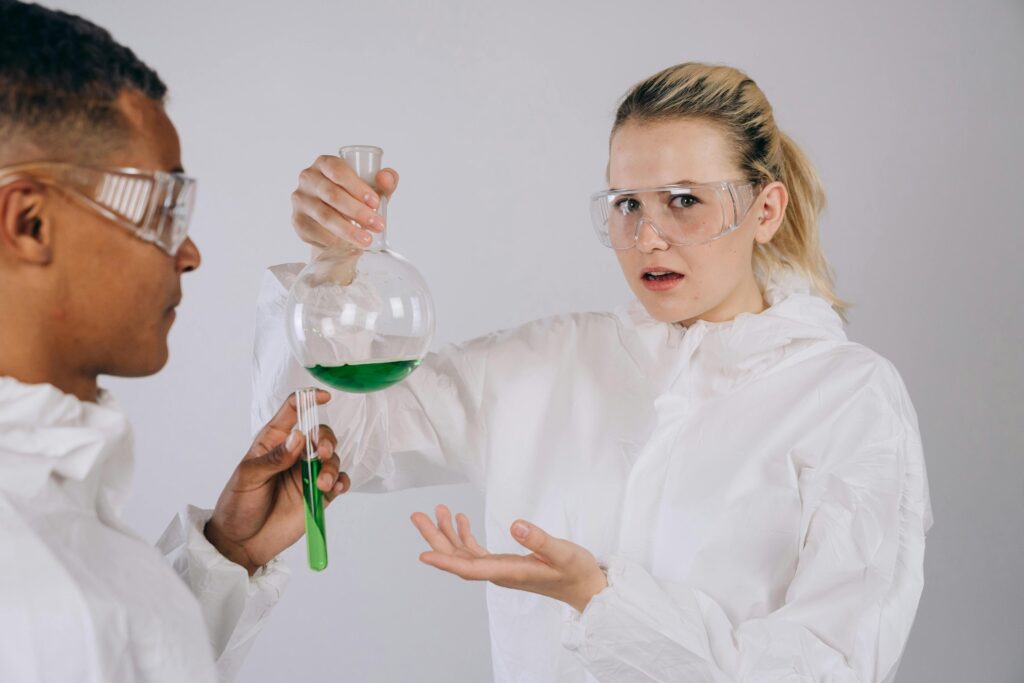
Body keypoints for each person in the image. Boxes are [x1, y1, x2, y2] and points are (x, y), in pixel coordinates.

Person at [254, 63, 932, 681]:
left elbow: (833, 666)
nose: (648, 237)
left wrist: (600, 599)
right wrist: (331, 268)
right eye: (628, 203)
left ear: (766, 210)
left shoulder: (849, 397)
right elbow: (322, 433)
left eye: (685, 201)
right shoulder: (549, 361)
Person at [0, 3, 348, 681]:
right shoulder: (24, 585)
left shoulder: (55, 517)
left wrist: (226, 552)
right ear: (30, 222)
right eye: (163, 211)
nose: (188, 253)